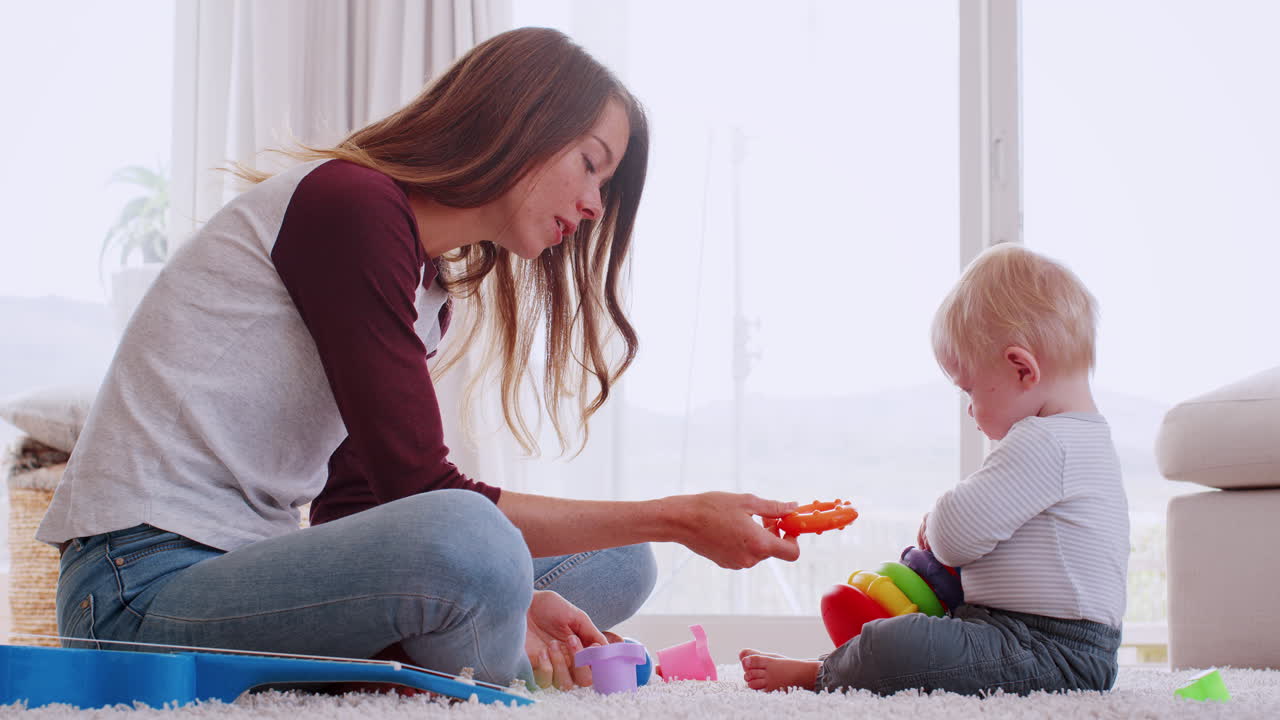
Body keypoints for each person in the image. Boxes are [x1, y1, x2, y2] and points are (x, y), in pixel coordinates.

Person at [37, 27, 801, 692]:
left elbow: (364, 505)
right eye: (591, 163)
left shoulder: (427, 290)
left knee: (619, 560)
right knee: (469, 541)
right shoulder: (351, 206)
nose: (597, 205)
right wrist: (680, 517)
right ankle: (476, 665)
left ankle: (470, 646)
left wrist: (525, 592)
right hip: (136, 592)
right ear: (521, 121)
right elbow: (428, 494)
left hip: (245, 572)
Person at [740, 243, 1128, 696]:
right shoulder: (1084, 439)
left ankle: (821, 674)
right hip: (1044, 641)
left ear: (1022, 369)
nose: (970, 409)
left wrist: (936, 521)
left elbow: (953, 537)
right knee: (919, 640)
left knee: (899, 648)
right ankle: (843, 663)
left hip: (1048, 649)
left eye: (970, 391)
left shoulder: (1044, 441)